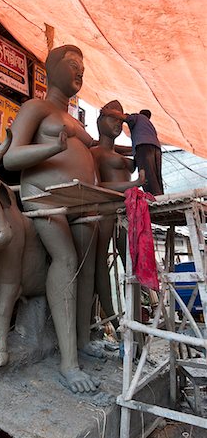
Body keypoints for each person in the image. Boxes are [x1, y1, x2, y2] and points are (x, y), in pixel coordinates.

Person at [3, 45, 102, 393]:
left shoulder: (75, 120)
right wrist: (52, 149)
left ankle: (84, 341)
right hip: (44, 195)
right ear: (51, 68)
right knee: (66, 259)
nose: (80, 72)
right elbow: (12, 158)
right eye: (73, 64)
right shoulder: (36, 108)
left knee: (87, 268)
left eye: (83, 67)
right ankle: (68, 364)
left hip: (82, 200)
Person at [91, 100, 145, 330]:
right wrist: (132, 184)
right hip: (106, 209)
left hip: (129, 209)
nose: (117, 125)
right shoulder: (94, 153)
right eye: (113, 119)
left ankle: (135, 316)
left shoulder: (120, 153)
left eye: (121, 121)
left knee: (132, 261)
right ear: (99, 121)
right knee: (101, 261)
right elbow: (94, 184)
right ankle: (112, 317)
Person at [103, 108, 164, 195]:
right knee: (157, 175)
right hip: (156, 148)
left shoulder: (138, 117)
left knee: (147, 174)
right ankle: (160, 196)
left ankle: (153, 196)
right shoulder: (149, 124)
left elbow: (125, 117)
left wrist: (110, 112)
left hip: (143, 145)